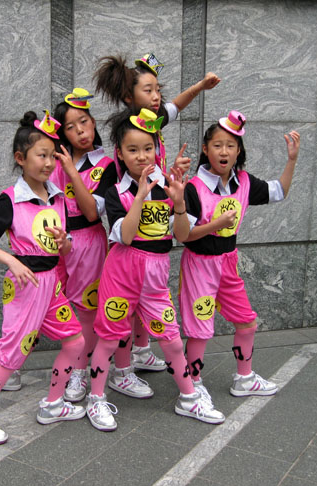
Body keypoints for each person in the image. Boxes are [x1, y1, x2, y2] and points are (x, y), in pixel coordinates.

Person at [86, 108, 226, 431]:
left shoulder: (169, 187)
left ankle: (189, 398)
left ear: (157, 149)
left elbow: (181, 235)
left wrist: (178, 202)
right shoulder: (116, 192)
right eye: (132, 150)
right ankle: (96, 399)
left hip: (155, 279)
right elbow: (125, 235)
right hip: (121, 274)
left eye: (147, 148)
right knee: (108, 339)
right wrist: (140, 195)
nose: (141, 156)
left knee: (173, 340)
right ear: (119, 153)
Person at [0, 110, 86, 445]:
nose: (48, 163)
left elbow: (67, 249)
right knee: (12, 356)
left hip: (52, 286)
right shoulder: (11, 199)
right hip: (26, 287)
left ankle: (54, 403)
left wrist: (66, 244)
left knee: (75, 342)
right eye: (40, 155)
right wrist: (11, 260)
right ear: (21, 158)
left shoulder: (58, 196)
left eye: (51, 155)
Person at [94, 53, 221, 378]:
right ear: (129, 98)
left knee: (146, 297)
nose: (157, 97)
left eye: (157, 90)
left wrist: (201, 86)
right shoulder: (130, 129)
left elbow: (178, 103)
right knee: (124, 303)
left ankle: (140, 351)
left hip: (156, 207)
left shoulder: (154, 120)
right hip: (133, 214)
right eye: (148, 90)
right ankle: (121, 370)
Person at [179, 110, 300, 409]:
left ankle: (244, 379)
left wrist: (292, 160)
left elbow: (279, 191)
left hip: (228, 264)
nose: (224, 151)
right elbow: (184, 235)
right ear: (206, 150)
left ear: (238, 151)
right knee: (199, 329)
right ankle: (192, 385)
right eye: (217, 145)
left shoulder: (243, 181)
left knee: (247, 322)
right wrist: (216, 226)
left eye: (230, 146)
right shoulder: (193, 187)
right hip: (200, 265)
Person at [50, 88, 117, 403]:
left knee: (86, 310)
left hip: (88, 241)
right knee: (43, 301)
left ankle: (79, 373)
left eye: (85, 122)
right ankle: (12, 365)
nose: (81, 131)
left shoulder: (106, 164)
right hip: (54, 242)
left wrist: (72, 172)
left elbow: (92, 211)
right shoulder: (52, 161)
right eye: (71, 126)